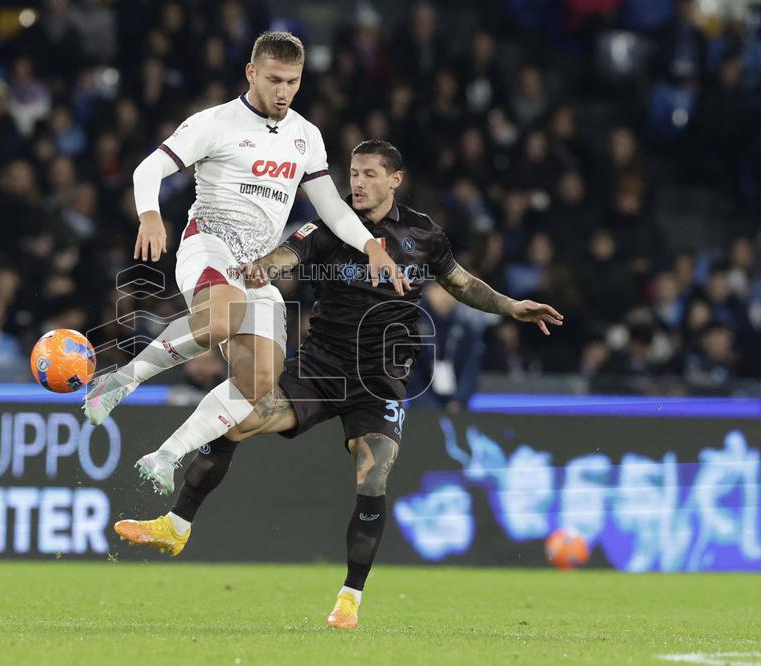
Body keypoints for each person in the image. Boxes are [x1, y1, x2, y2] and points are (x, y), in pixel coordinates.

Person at [113, 141, 563, 630]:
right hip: (321, 366)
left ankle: (350, 598)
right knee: (234, 420)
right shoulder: (332, 224)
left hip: (381, 378)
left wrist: (511, 306)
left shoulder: (423, 234)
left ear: (395, 180)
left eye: (370, 174)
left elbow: (459, 282)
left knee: (373, 477)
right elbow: (292, 250)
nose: (358, 183)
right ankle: (176, 527)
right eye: (353, 173)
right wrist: (266, 266)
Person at [83, 32, 407, 492]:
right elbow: (147, 169)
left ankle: (166, 456)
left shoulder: (305, 136)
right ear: (251, 73)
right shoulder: (215, 123)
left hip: (253, 269)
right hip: (208, 245)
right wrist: (151, 216)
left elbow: (332, 209)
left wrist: (372, 245)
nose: (284, 92)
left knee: (259, 381)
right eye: (275, 79)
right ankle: (120, 381)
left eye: (293, 82)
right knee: (221, 317)